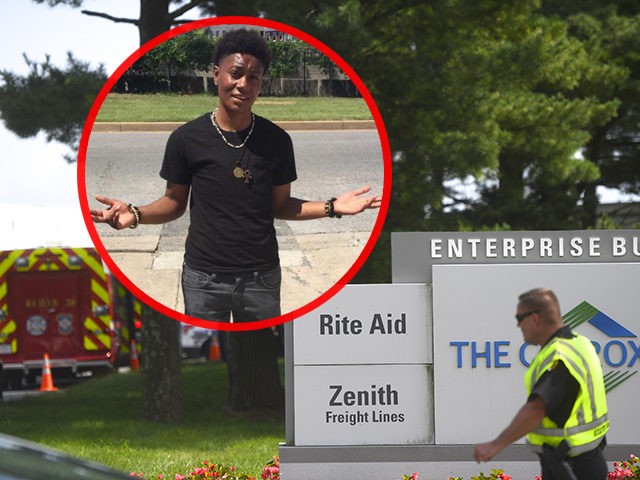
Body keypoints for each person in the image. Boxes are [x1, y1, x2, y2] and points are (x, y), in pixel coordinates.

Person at [90, 28, 382, 323]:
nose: (243, 84)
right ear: (217, 74)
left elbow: (281, 206)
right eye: (236, 73)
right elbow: (174, 202)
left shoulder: (277, 141)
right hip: (203, 278)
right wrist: (135, 214)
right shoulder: (186, 139)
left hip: (261, 279)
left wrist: (333, 207)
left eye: (253, 77)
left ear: (261, 83)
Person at [472, 288, 609, 480]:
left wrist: (495, 445)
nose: (518, 325)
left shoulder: (560, 356)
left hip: (571, 466)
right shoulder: (581, 343)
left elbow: (536, 409)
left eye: (519, 318)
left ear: (534, 318)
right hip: (586, 460)